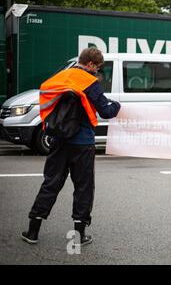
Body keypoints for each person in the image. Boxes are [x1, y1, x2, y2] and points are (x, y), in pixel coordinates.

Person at [21, 47, 121, 246]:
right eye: (98, 67)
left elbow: (46, 96)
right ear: (91, 64)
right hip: (82, 143)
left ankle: (32, 231)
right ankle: (79, 235)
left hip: (58, 140)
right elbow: (106, 111)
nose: (97, 71)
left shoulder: (60, 77)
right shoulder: (90, 82)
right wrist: (116, 105)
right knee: (83, 188)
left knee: (51, 184)